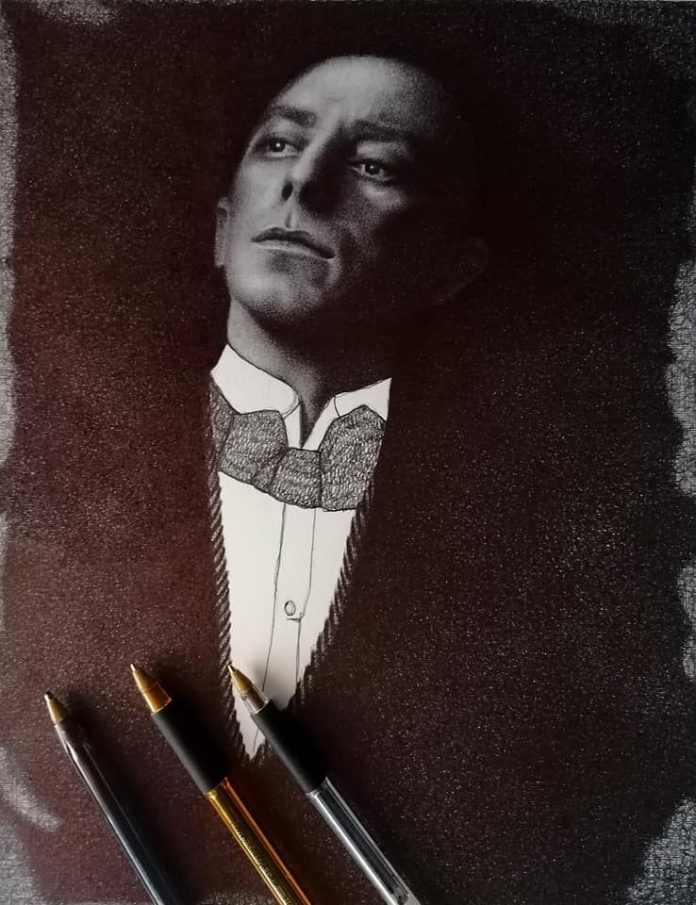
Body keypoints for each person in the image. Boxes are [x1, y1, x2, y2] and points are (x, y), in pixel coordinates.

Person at [0, 47, 693, 905]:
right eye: (280, 145)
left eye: (374, 165)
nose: (307, 184)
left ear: (452, 268)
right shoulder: (53, 498)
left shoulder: (546, 549)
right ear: (221, 226)